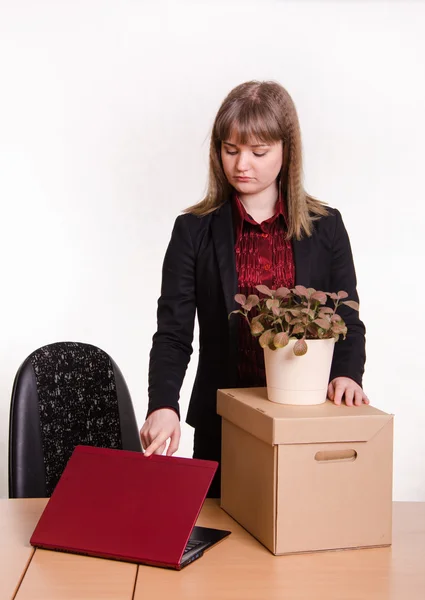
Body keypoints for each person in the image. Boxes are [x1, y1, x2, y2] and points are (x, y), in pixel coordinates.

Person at [140, 80, 368, 497]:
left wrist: (348, 376)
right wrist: (163, 404)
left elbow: (347, 319)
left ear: (287, 150)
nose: (241, 164)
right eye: (231, 150)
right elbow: (173, 332)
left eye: (258, 152)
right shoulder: (193, 230)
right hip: (221, 425)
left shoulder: (326, 226)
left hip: (304, 424)